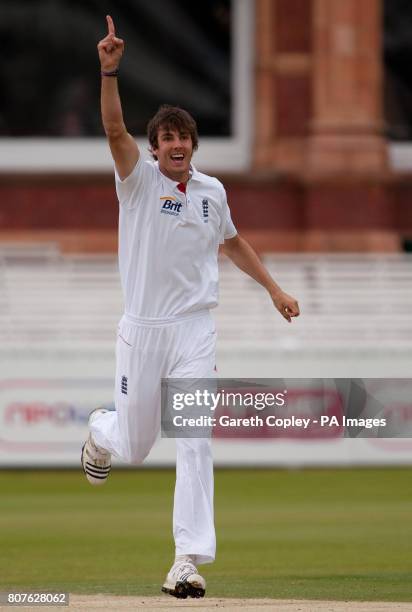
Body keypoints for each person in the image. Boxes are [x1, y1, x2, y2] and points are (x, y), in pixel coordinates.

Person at [81, 14, 300, 600]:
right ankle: (100, 434)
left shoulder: (211, 193)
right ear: (155, 149)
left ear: (193, 145)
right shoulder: (139, 181)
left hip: (194, 330)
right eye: (167, 139)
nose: (177, 146)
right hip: (142, 331)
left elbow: (231, 243)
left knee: (196, 436)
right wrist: (109, 69)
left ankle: (187, 561)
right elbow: (112, 131)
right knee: (134, 446)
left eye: (184, 138)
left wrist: (274, 288)